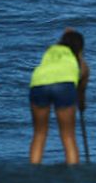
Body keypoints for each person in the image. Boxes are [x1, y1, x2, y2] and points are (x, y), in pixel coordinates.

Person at [28, 28, 90, 164]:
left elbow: (63, 41)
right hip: (64, 85)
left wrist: (67, 34)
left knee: (39, 134)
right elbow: (82, 90)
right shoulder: (80, 61)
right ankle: (72, 170)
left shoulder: (51, 50)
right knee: (68, 136)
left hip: (38, 83)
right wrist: (82, 104)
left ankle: (33, 169)